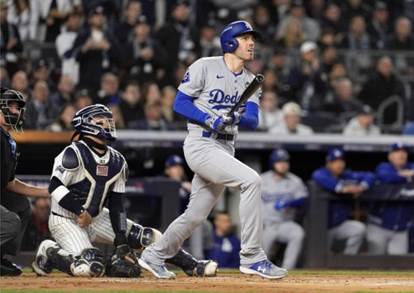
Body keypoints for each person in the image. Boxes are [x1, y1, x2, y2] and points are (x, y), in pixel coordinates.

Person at [139, 20, 288, 280]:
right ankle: (252, 256)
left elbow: (253, 121)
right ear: (230, 41)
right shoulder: (204, 66)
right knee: (252, 180)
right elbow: (180, 103)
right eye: (245, 38)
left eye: (252, 38)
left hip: (224, 147)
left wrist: (239, 115)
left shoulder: (251, 81)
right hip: (201, 143)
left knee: (195, 216)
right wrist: (210, 118)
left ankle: (154, 254)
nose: (251, 43)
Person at [31, 104, 217, 278]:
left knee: (148, 236)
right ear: (86, 125)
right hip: (65, 218)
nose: (108, 124)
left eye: (108, 120)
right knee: (90, 266)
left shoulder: (117, 160)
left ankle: (191, 265)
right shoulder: (72, 153)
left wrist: (121, 240)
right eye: (101, 121)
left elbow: (117, 204)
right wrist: (79, 211)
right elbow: (54, 186)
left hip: (96, 217)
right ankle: (50, 251)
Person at [0, 88, 49, 276]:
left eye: (17, 108)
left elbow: (9, 183)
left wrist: (46, 191)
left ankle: (0, 256)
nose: (15, 111)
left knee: (21, 206)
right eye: (9, 107)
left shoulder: (8, 140)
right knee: (9, 221)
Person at [312, 148, 375, 255]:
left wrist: (361, 187)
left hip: (340, 224)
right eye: (335, 162)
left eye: (341, 161)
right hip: (322, 227)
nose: (339, 164)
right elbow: (318, 176)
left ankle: (348, 259)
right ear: (328, 163)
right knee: (320, 257)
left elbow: (370, 176)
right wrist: (343, 188)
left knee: (359, 229)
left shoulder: (346, 175)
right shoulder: (322, 173)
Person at [261, 149, 307, 269]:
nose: (283, 164)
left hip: (284, 223)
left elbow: (303, 199)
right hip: (265, 225)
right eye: (279, 162)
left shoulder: (295, 181)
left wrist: (290, 203)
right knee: (262, 253)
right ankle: (260, 270)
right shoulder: (261, 179)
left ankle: (288, 269)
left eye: (285, 161)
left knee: (298, 233)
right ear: (273, 163)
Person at [366, 142, 414, 255]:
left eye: (404, 152)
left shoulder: (411, 166)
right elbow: (386, 176)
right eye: (397, 152)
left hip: (401, 229)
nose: (401, 155)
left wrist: (406, 174)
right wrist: (409, 177)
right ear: (390, 156)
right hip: (378, 226)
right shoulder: (383, 167)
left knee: (398, 268)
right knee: (375, 266)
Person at [164, 154, 213, 260]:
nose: (178, 169)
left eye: (180, 167)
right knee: (195, 223)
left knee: (206, 225)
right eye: (174, 167)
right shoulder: (163, 184)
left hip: (185, 219)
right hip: (166, 221)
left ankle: (204, 257)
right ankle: (197, 258)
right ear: (167, 170)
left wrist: (194, 192)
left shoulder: (188, 186)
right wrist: (180, 185)